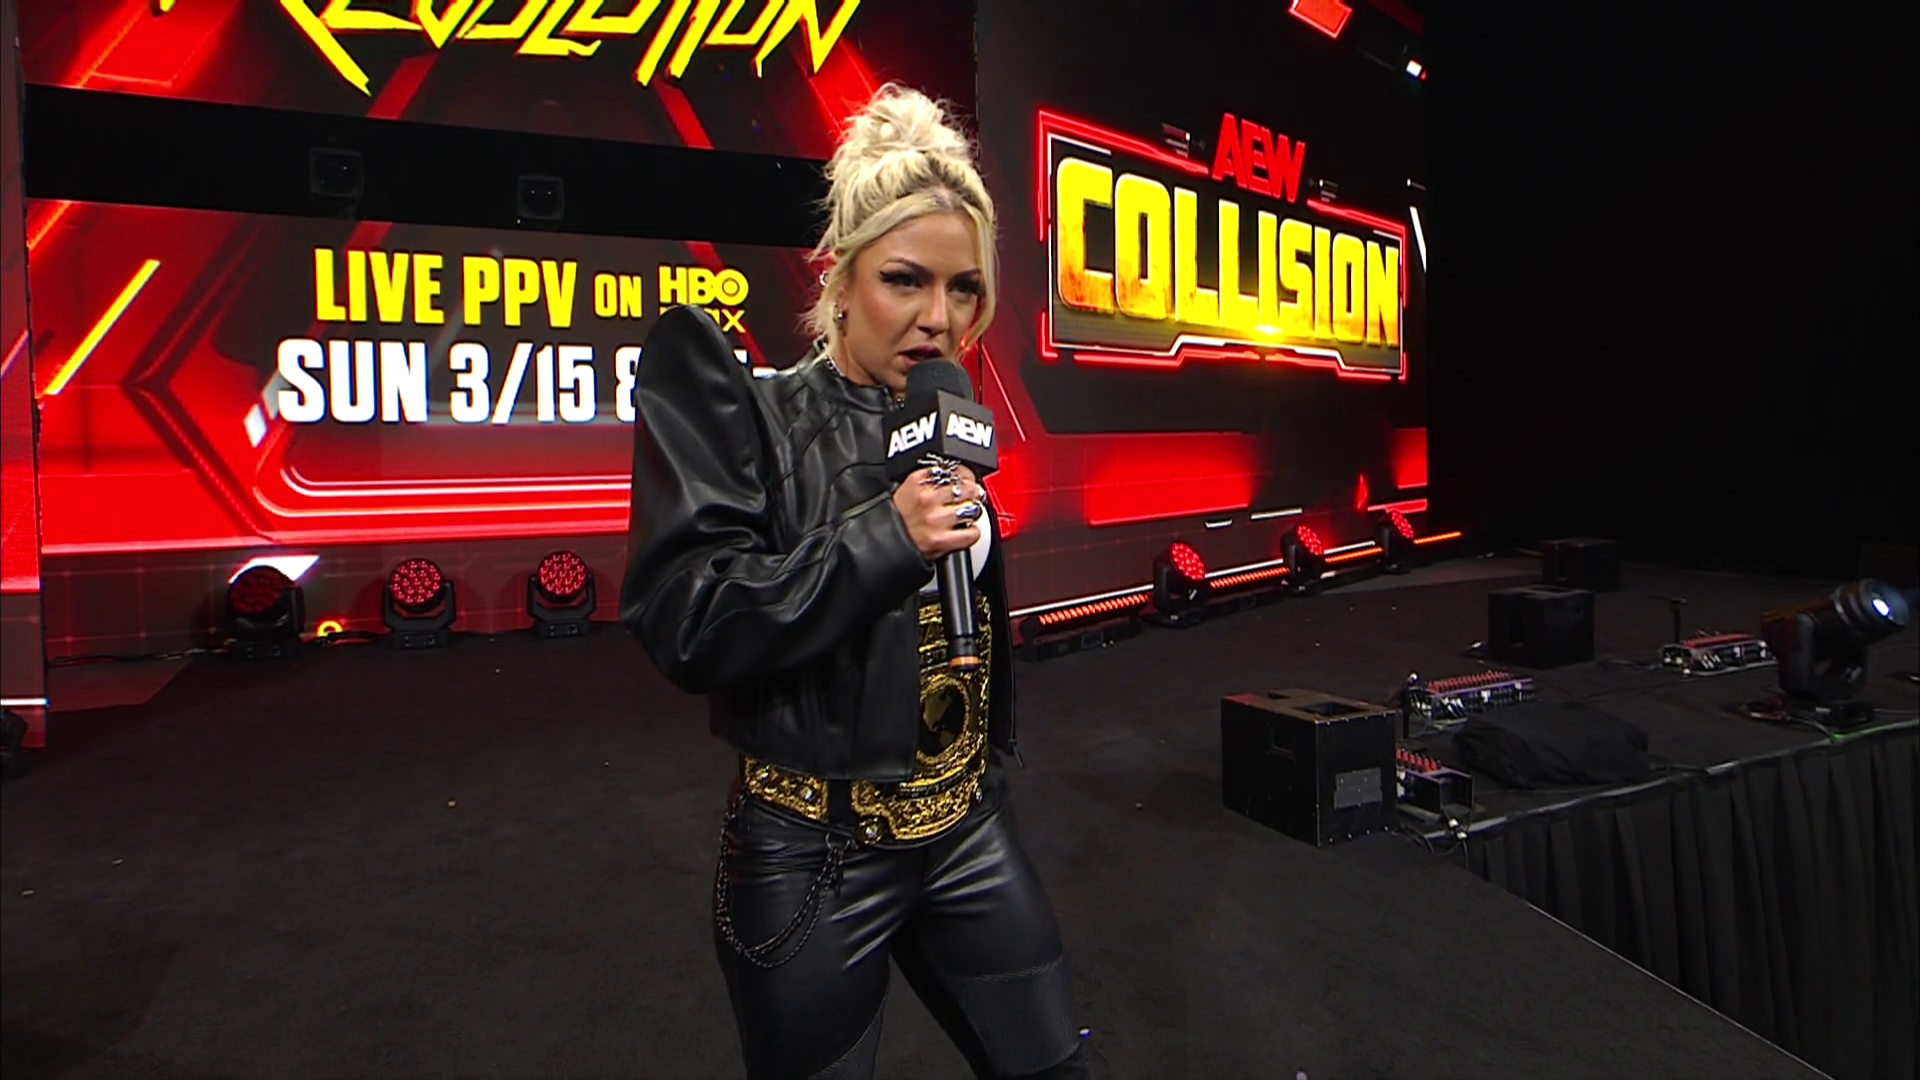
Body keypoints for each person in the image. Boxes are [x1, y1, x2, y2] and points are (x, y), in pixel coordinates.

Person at [620, 85, 1092, 1080]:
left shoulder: (948, 423)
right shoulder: (753, 416)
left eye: (964, 289)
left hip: (967, 823)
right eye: (905, 280)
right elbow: (688, 619)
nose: (938, 318)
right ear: (838, 276)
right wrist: (886, 537)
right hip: (813, 850)